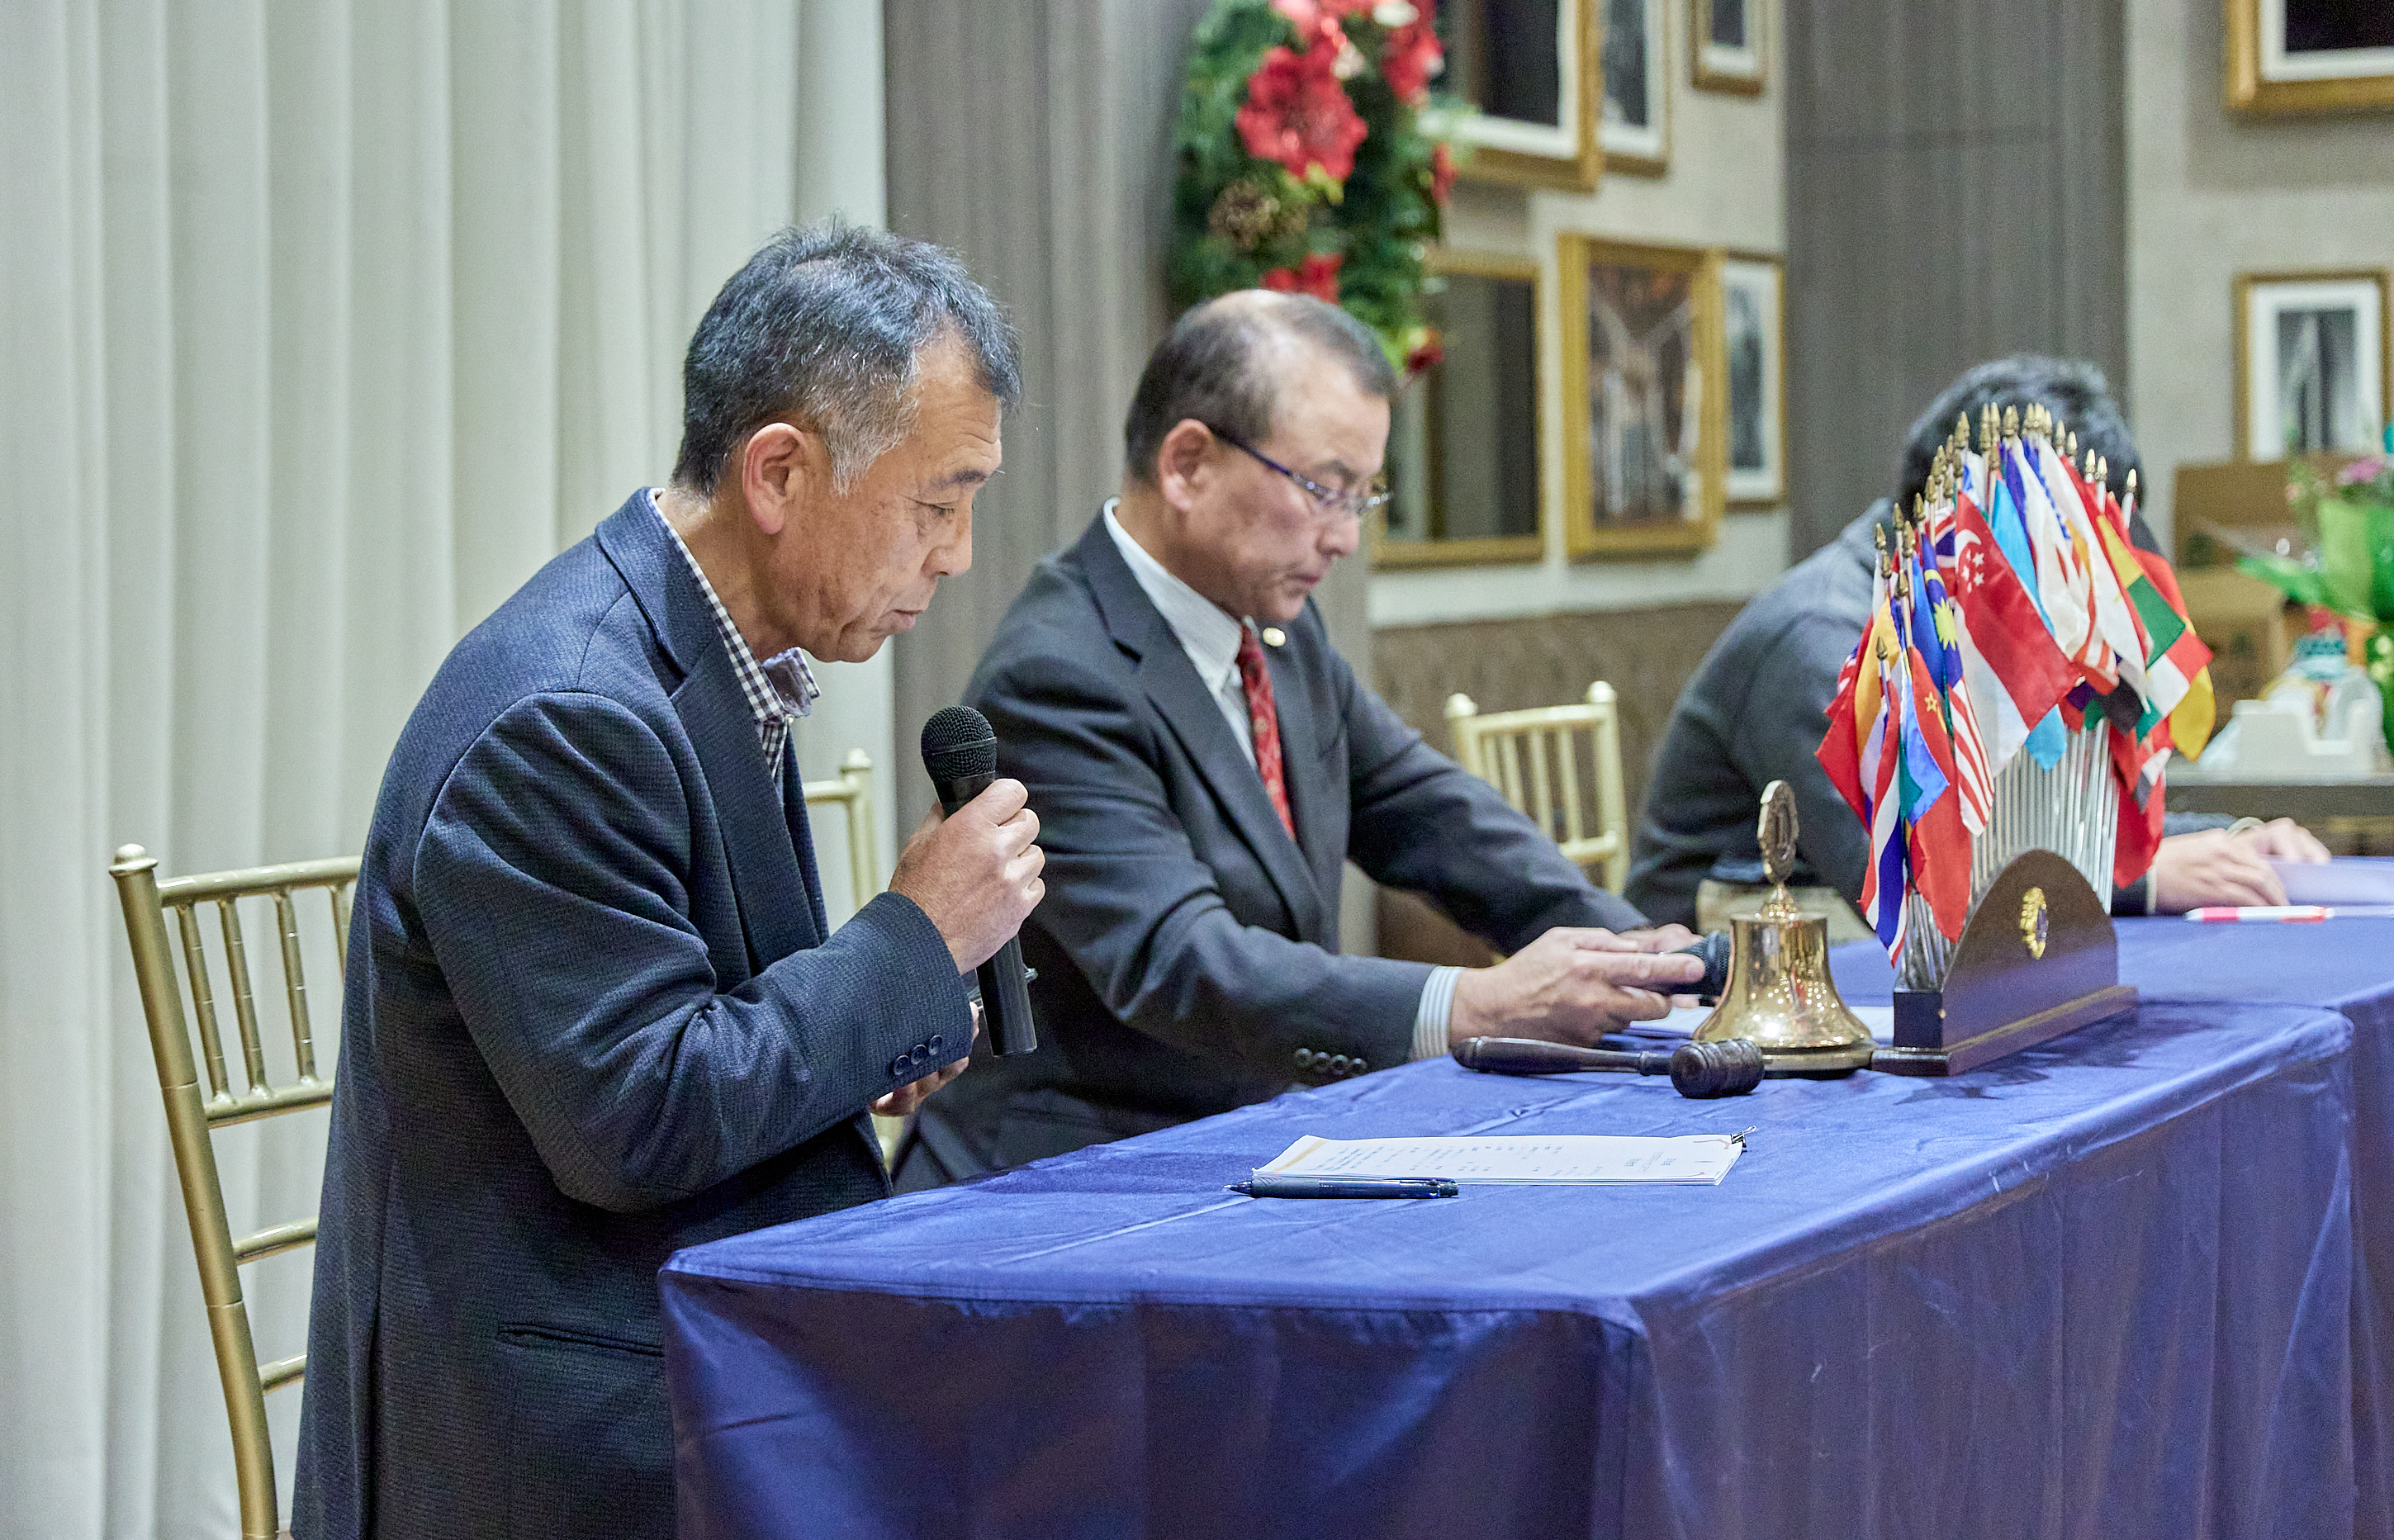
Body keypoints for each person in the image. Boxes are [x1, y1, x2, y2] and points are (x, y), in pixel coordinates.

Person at [294, 225, 1042, 1540]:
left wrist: (886, 1010)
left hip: (676, 1310)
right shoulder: (568, 711)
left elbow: (714, 1015)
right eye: (937, 504)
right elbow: (635, 1122)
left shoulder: (711, 653)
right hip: (559, 1422)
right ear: (780, 474)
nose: (954, 559)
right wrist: (910, 936)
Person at [899, 291, 1700, 1187]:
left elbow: (1429, 813)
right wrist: (1472, 1002)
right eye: (1325, 489)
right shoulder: (1059, 673)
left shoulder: (1273, 628)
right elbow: (1181, 960)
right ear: (1189, 464)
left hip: (1251, 1141)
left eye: (1366, 496)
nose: (1347, 537)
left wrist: (1655, 960)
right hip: (1078, 1175)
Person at [1625, 354, 2327, 934]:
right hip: (1725, 997)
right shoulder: (1824, 641)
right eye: (2067, 548)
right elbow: (1917, 885)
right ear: (1982, 511)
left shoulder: (1967, 622)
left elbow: (2040, 808)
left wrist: (2230, 838)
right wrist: (2142, 880)